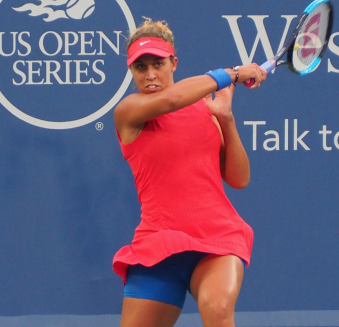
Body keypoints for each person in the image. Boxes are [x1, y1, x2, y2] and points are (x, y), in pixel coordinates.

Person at [112, 18, 267, 327]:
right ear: (132, 72)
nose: (150, 74)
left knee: (218, 308)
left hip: (218, 240)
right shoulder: (129, 111)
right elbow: (171, 99)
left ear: (174, 63)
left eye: (158, 63)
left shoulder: (204, 109)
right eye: (140, 67)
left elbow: (238, 179)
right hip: (159, 245)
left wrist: (225, 118)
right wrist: (233, 74)